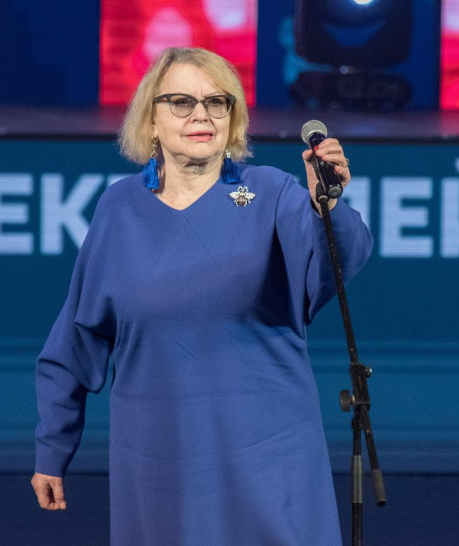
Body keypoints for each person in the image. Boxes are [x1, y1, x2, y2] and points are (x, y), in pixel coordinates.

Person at [31, 47, 373, 545]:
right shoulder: (119, 207)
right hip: (158, 461)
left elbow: (341, 258)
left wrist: (330, 206)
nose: (201, 115)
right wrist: (52, 448)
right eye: (181, 102)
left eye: (216, 102)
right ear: (151, 120)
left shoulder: (271, 193)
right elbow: (77, 339)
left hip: (268, 457)